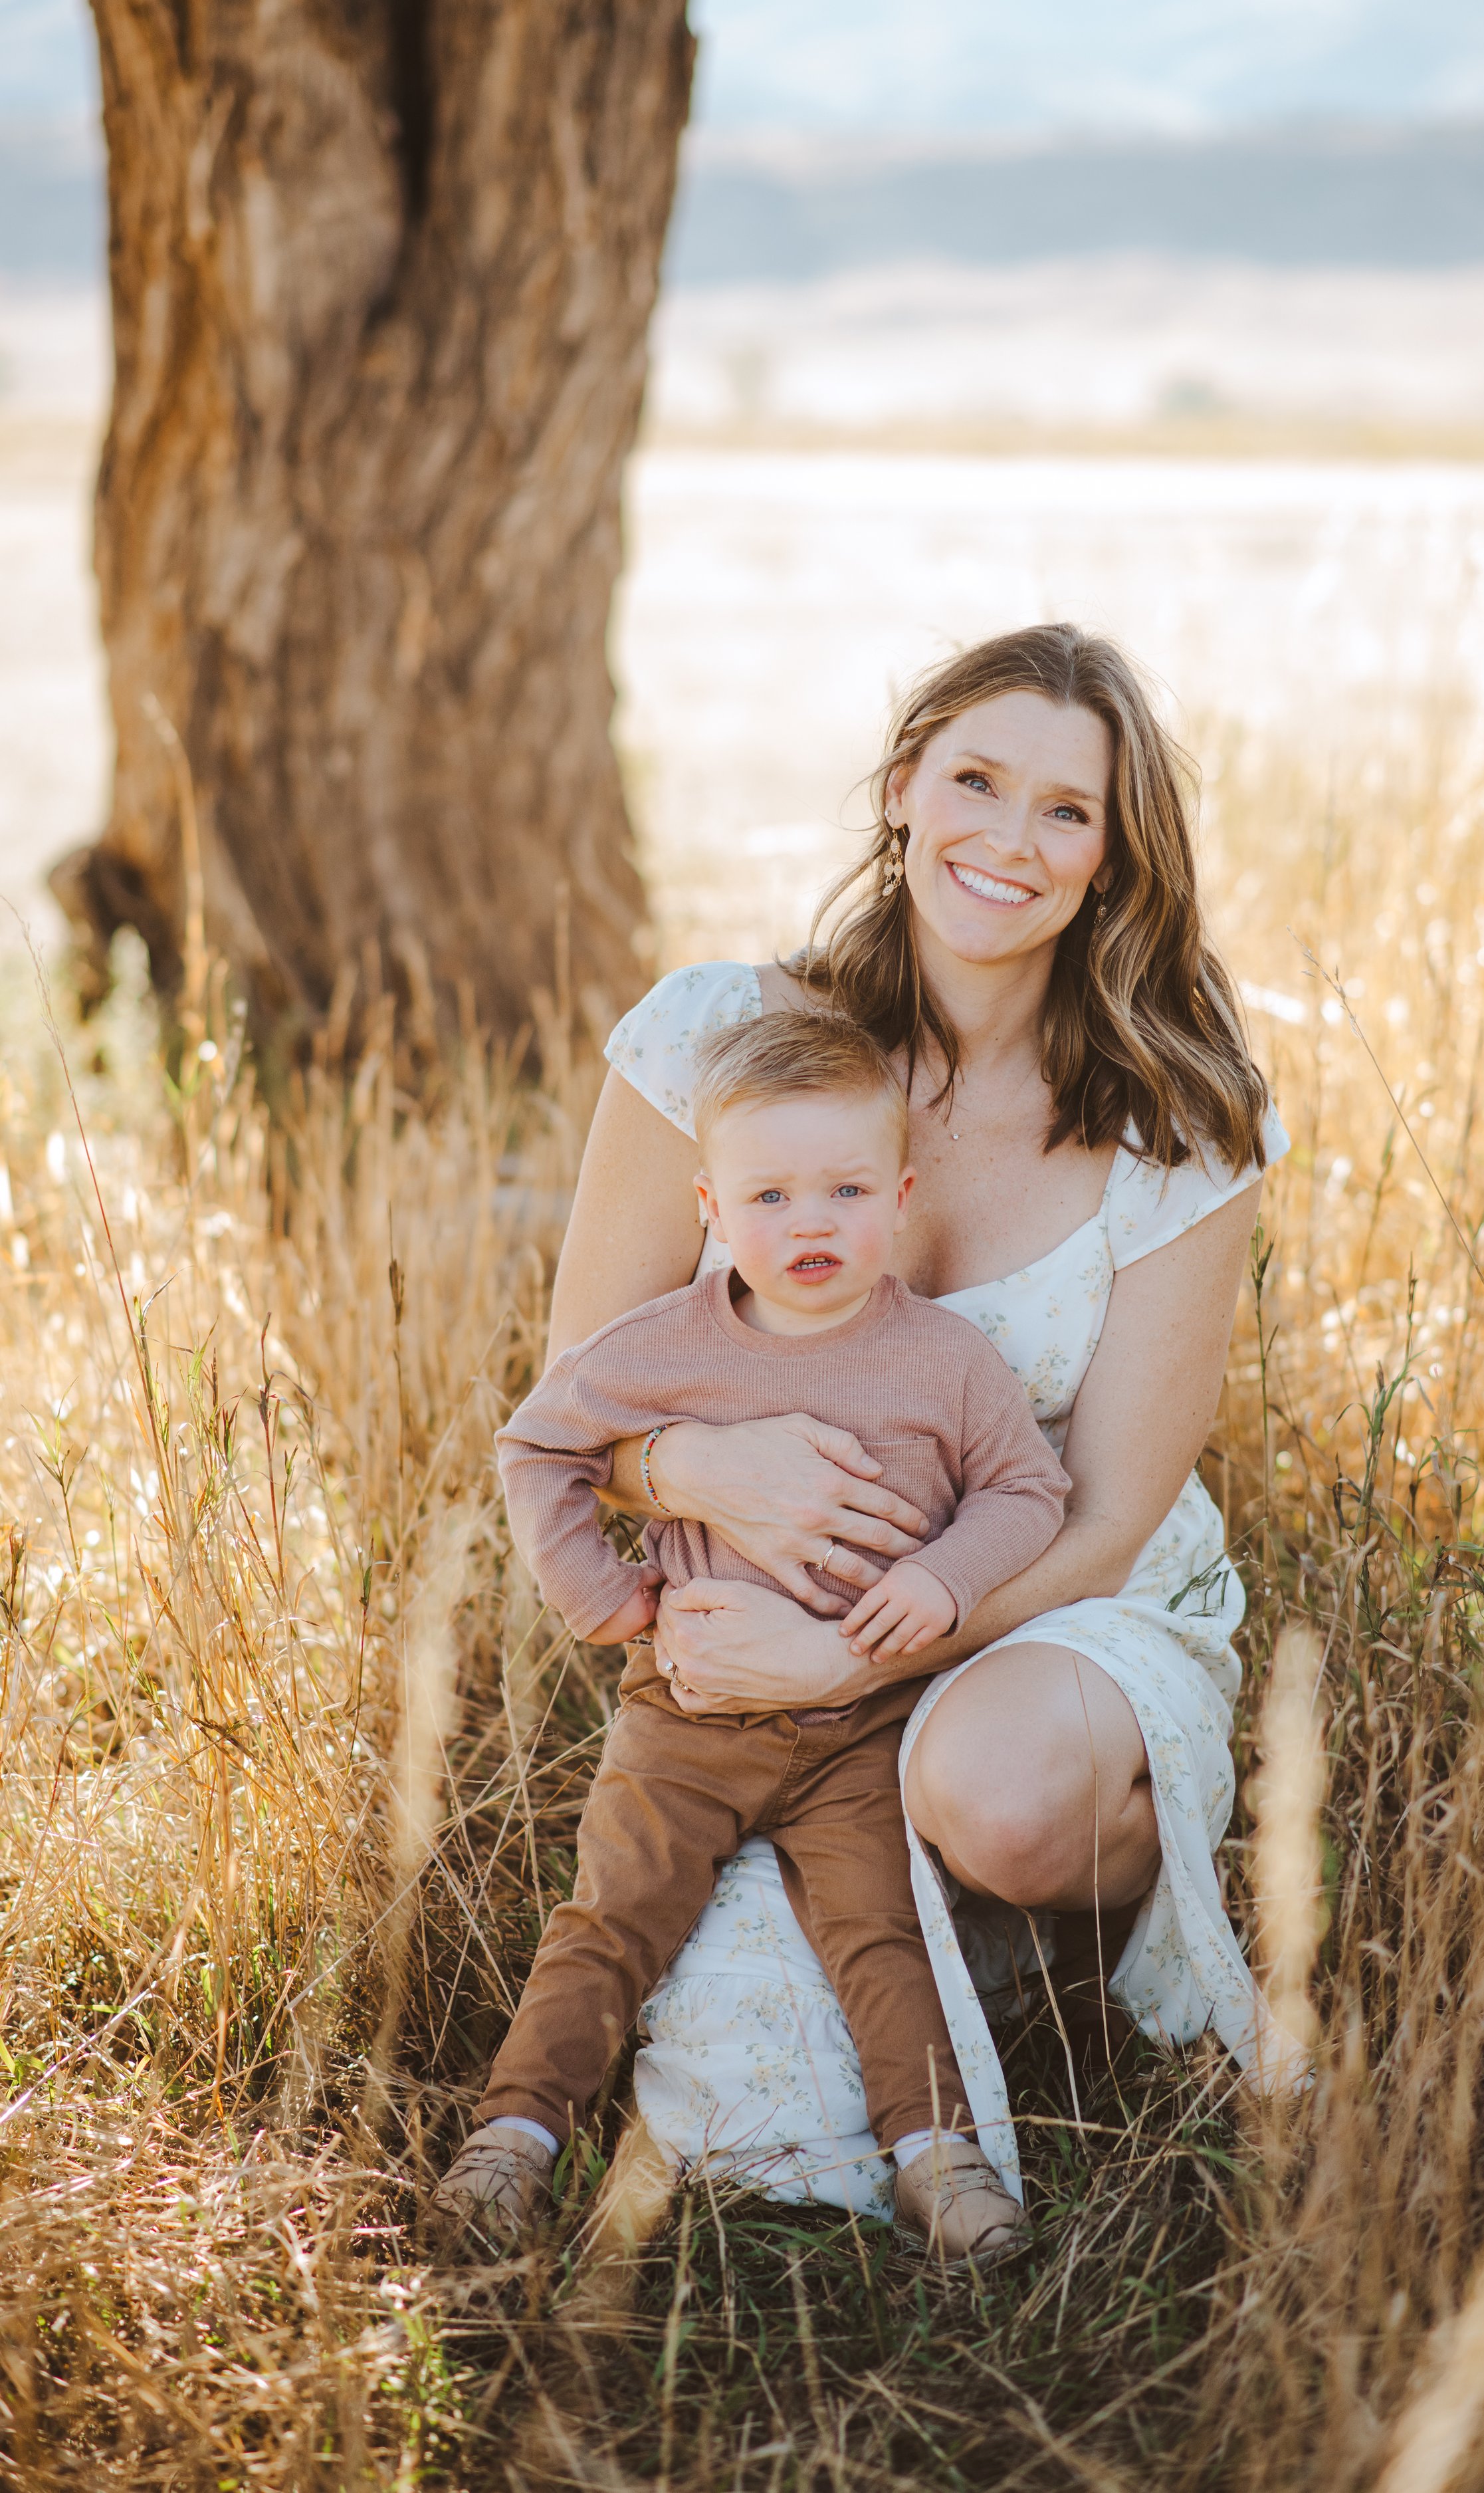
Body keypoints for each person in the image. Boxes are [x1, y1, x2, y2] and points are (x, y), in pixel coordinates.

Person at [485, 621, 1303, 2226]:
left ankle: (1087, 1902)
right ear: (901, 789)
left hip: (1054, 1604)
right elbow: (575, 1398)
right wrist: (698, 1465)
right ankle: (935, 1928)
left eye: (1065, 811)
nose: (1006, 838)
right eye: (976, 780)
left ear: (1112, 858)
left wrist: (850, 1660)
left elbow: (1106, 1518)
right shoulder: (714, 1040)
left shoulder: (1177, 1118)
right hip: (764, 1648)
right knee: (742, 2115)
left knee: (992, 1788)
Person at [433, 1011, 1069, 2262]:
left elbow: (1028, 1493)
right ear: (711, 1205)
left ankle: (938, 2160)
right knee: (611, 1916)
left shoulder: (944, 1360)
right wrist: (598, 1598)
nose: (811, 1223)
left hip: (862, 1724)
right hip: (689, 1715)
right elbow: (536, 1445)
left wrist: (944, 1582)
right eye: (771, 1193)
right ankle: (514, 2136)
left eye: (844, 1189)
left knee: (879, 1933)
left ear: (900, 1193)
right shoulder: (667, 1344)